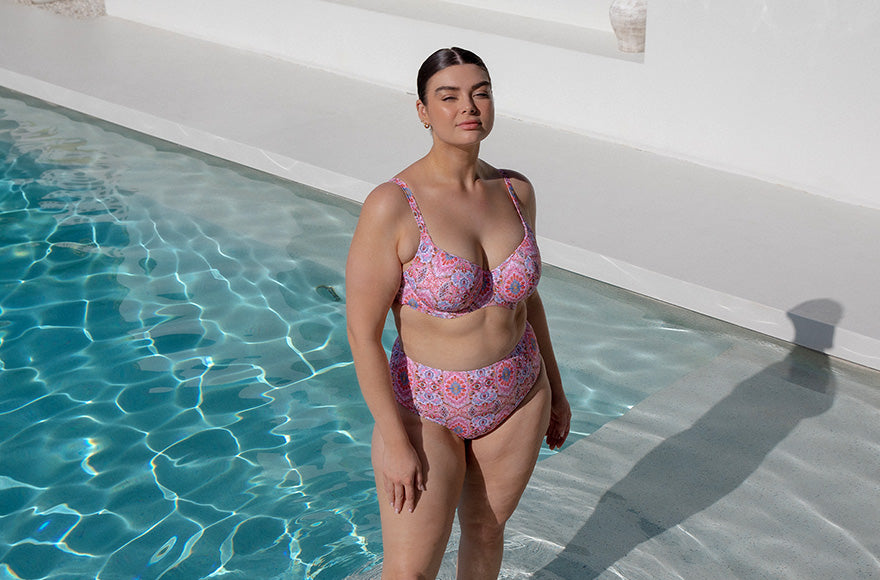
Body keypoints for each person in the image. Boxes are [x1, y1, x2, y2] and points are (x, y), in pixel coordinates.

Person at [346, 47, 571, 579]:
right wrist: (394, 441)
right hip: (424, 410)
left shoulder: (516, 192)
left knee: (487, 534)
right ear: (423, 111)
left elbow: (525, 299)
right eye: (448, 96)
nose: (468, 106)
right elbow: (361, 333)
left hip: (518, 397)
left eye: (481, 92)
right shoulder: (393, 205)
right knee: (410, 571)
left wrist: (556, 391)